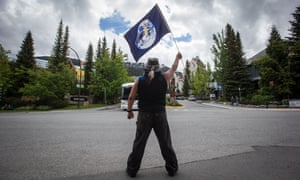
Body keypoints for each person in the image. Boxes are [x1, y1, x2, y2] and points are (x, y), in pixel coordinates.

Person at [126, 52, 182, 177]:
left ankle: (132, 170)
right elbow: (173, 68)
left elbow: (131, 97)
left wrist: (129, 111)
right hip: (160, 115)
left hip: (144, 115)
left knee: (139, 143)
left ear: (146, 67)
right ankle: (172, 168)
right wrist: (177, 58)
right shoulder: (165, 77)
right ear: (158, 67)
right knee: (165, 142)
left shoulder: (139, 80)